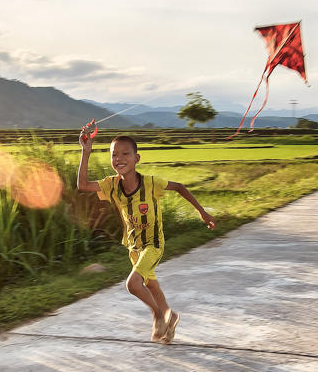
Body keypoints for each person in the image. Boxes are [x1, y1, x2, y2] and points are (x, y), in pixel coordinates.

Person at [77, 121, 216, 344]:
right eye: (114, 155)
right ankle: (167, 323)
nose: (119, 159)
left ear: (136, 159)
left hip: (153, 245)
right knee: (151, 285)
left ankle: (159, 314)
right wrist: (86, 150)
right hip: (134, 248)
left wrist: (202, 213)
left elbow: (179, 186)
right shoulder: (111, 185)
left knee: (133, 285)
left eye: (125, 154)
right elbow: (83, 185)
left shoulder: (151, 183)